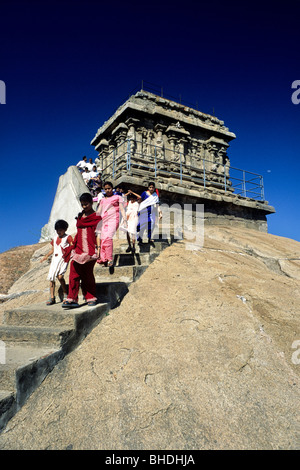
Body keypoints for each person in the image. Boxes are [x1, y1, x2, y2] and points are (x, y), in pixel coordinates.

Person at [62, 193, 102, 308]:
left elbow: (99, 234)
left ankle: (90, 297)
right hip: (78, 249)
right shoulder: (80, 217)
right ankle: (72, 298)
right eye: (82, 204)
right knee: (73, 271)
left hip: (90, 249)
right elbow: (79, 232)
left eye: (86, 204)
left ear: (91, 202)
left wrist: (99, 248)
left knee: (87, 273)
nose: (84, 207)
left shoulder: (96, 217)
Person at [40, 220, 73, 305]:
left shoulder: (68, 237)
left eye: (61, 230)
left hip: (63, 259)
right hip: (55, 259)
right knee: (51, 278)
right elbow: (53, 249)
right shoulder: (55, 238)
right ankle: (52, 297)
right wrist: (46, 256)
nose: (59, 232)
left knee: (60, 277)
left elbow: (72, 246)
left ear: (65, 229)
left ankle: (65, 294)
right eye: (57, 230)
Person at [96, 181, 127, 267]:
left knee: (108, 237)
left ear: (112, 188)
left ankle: (109, 258)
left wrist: (124, 219)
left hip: (113, 219)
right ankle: (103, 259)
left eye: (109, 188)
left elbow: (122, 209)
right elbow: (98, 211)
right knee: (103, 239)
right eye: (105, 189)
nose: (107, 190)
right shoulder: (102, 200)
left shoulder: (117, 197)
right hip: (103, 220)